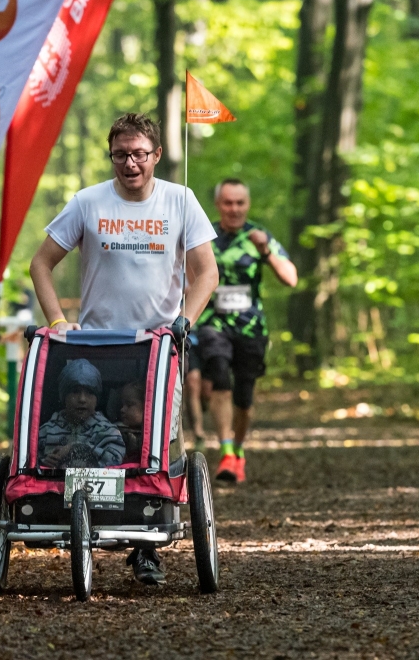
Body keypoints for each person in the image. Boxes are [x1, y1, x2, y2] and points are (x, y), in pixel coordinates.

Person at [30, 112, 218, 586]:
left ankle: (147, 545)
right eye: (120, 154)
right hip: (98, 348)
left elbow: (206, 273)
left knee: (155, 443)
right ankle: (87, 521)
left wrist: (184, 321)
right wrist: (58, 323)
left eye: (139, 154)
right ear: (110, 155)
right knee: (101, 436)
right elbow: (41, 263)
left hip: (158, 347)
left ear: (155, 155)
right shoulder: (88, 202)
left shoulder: (181, 200)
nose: (130, 163)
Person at [197, 179, 298, 485]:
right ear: (218, 205)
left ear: (247, 205)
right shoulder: (205, 237)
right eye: (228, 203)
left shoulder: (259, 236)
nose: (234, 209)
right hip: (214, 322)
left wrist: (265, 250)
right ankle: (226, 450)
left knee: (244, 395)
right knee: (219, 378)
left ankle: (237, 450)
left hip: (251, 327)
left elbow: (290, 278)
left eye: (240, 203)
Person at [40, 360, 126, 468]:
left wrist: (75, 448)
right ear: (63, 397)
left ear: (97, 399)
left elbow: (115, 460)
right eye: (75, 392)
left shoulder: (108, 431)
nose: (82, 399)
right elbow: (30, 463)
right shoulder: (46, 431)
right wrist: (44, 462)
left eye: (89, 392)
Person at [117, 380, 147, 462]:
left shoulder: (154, 437)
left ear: (146, 406)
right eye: (122, 405)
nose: (122, 409)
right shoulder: (114, 432)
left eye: (129, 405)